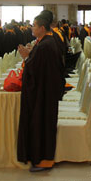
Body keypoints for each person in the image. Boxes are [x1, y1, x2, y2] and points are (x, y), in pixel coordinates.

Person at [17, 12, 65, 172]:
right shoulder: (45, 42)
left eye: (34, 25)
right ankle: (39, 158)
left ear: (42, 28)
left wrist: (27, 58)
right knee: (41, 125)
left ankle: (43, 161)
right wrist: (31, 55)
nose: (32, 28)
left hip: (44, 94)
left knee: (42, 126)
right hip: (44, 91)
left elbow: (35, 70)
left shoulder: (46, 45)